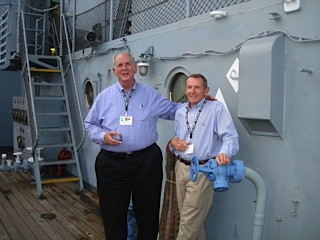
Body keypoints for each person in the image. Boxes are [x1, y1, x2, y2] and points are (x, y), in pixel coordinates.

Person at [84, 52, 179, 240]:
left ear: (135, 68)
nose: (124, 68)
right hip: (112, 164)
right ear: (114, 71)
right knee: (112, 215)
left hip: (146, 162)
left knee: (148, 213)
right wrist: (103, 136)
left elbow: (174, 110)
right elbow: (89, 124)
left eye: (128, 64)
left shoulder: (150, 95)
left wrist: (197, 102)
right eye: (120, 66)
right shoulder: (104, 97)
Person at [169, 73, 239, 240]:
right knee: (194, 222)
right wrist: (174, 142)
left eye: (197, 87)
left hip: (202, 171)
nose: (192, 91)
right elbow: (179, 138)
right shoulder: (180, 112)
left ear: (206, 90)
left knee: (187, 222)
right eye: (189, 87)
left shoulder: (216, 108)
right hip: (181, 167)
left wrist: (224, 153)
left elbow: (230, 137)